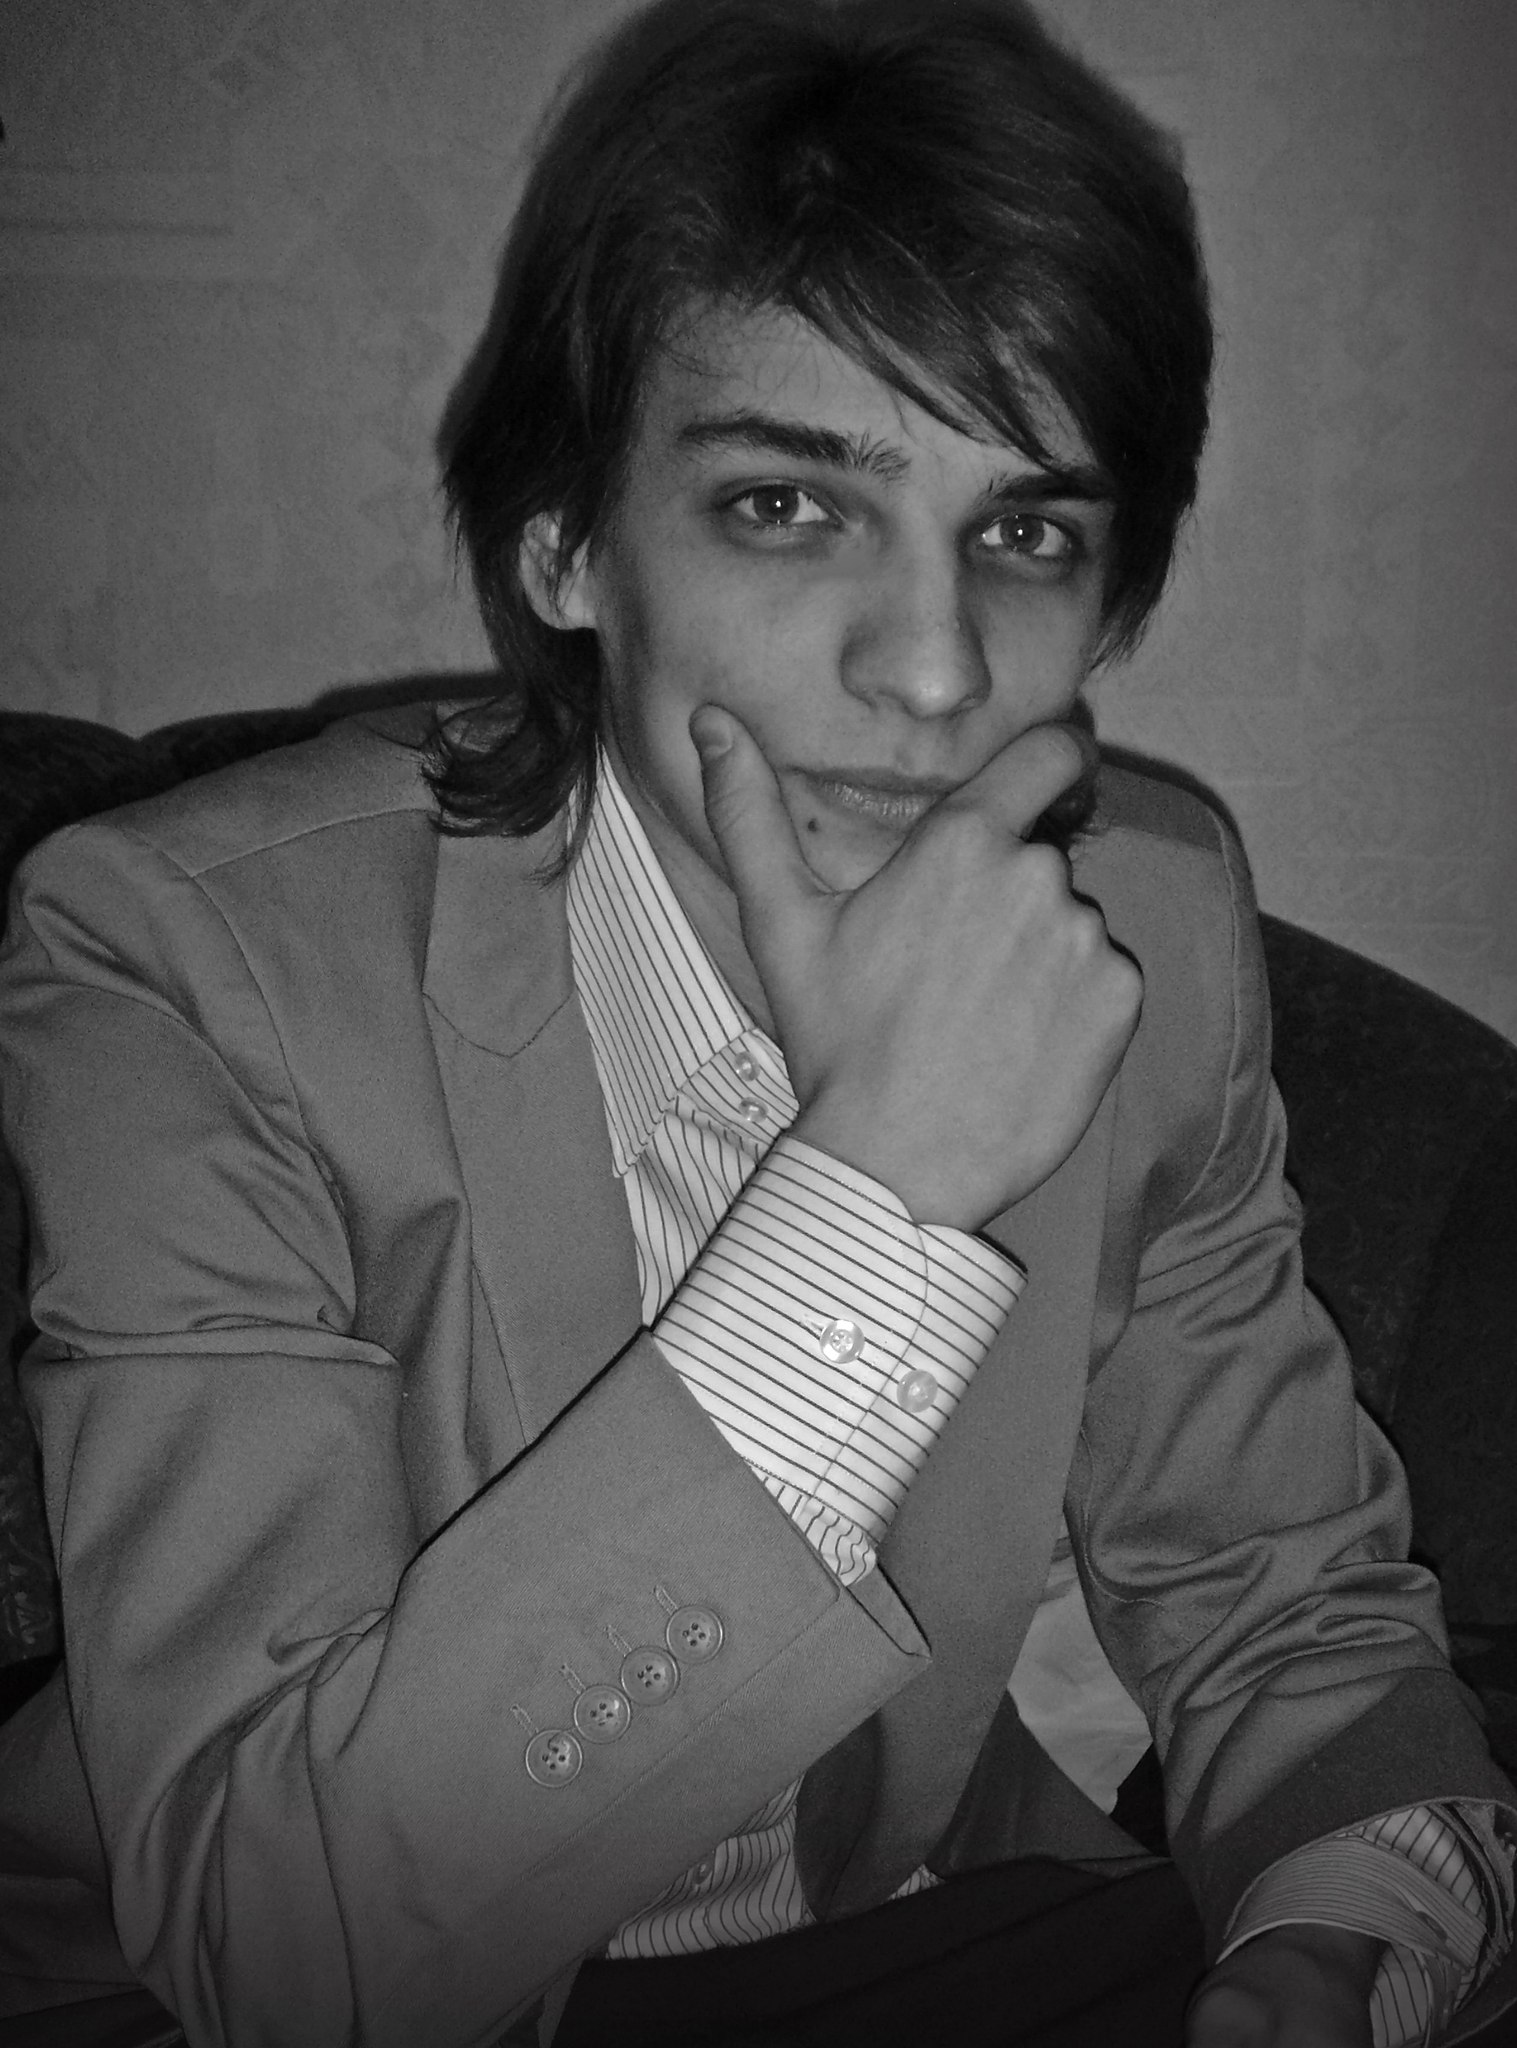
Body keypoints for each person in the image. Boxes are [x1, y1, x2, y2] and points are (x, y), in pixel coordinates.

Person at [0, 0, 1513, 2043]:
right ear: (563, 542)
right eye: (788, 504)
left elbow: (1284, 1599)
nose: (931, 669)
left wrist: (1326, 1950)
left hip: (894, 1931)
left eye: (1025, 533)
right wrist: (876, 1193)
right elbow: (270, 1944)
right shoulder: (181, 961)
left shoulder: (1140, 925)